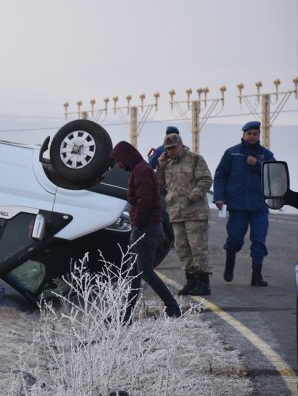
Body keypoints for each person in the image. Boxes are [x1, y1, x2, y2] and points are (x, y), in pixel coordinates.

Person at [110, 141, 181, 322]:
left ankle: (172, 307)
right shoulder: (139, 169)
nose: (118, 165)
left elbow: (144, 202)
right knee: (133, 274)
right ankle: (125, 315)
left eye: (119, 161)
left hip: (146, 230)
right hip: (145, 228)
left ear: (126, 157)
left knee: (144, 272)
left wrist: (137, 226)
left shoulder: (141, 171)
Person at [213, 121, 275, 287]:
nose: (252, 136)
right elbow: (220, 176)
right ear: (243, 135)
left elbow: (274, 175)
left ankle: (257, 275)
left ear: (259, 135)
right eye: (249, 133)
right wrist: (219, 197)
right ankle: (230, 260)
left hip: (259, 206)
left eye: (255, 133)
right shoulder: (232, 153)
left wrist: (257, 164)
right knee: (235, 239)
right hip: (237, 205)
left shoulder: (266, 155)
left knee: (259, 241)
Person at [156, 133, 213, 295]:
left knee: (198, 247)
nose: (171, 151)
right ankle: (191, 281)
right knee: (182, 249)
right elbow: (159, 185)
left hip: (195, 213)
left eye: (173, 148)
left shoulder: (195, 159)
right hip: (176, 213)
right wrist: (160, 166)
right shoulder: (167, 164)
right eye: (168, 149)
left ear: (181, 145)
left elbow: (206, 180)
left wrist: (192, 196)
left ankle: (203, 282)